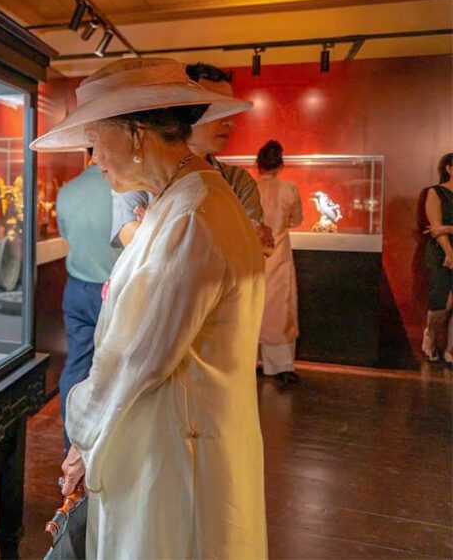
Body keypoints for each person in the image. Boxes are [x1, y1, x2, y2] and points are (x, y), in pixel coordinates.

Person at [33, 57, 267, 559]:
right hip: (174, 438)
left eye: (96, 141)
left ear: (137, 134)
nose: (93, 158)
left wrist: (83, 438)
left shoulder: (192, 215)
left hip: (172, 450)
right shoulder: (186, 202)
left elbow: (137, 360)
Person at [114, 63, 273, 255]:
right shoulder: (139, 173)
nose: (228, 121)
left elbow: (254, 248)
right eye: (213, 109)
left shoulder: (238, 181)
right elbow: (131, 238)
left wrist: (159, 230)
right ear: (183, 112)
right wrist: (230, 234)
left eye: (228, 110)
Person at [55, 151, 129, 450]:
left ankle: (70, 442)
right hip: (115, 290)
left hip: (76, 288)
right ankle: (106, 450)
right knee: (116, 371)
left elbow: (65, 234)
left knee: (76, 366)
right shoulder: (125, 189)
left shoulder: (67, 190)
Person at [256, 140, 303, 385]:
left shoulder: (249, 187)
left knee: (251, 306)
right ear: (280, 163)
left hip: (251, 253)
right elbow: (297, 220)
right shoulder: (289, 189)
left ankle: (251, 360)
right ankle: (281, 365)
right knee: (280, 307)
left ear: (258, 163)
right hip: (279, 253)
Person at [422, 152, 453, 366]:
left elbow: (443, 226)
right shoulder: (435, 192)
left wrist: (448, 227)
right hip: (441, 250)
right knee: (442, 301)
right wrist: (450, 252)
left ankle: (450, 350)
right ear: (449, 168)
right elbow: (435, 228)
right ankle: (430, 339)